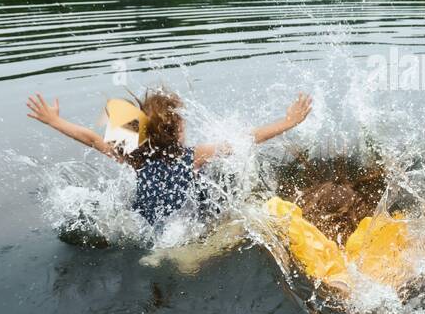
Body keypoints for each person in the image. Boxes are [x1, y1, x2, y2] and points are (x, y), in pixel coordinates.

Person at [26, 88, 312, 225]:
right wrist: (288, 122)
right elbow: (247, 139)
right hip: (184, 227)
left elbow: (90, 138)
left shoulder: (136, 157)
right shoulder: (195, 156)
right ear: (178, 129)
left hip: (146, 224)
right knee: (235, 224)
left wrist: (54, 121)